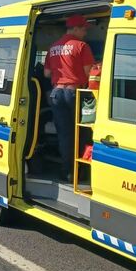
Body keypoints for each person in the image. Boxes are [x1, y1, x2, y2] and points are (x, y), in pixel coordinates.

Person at [44, 15, 94, 179]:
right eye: (84, 29)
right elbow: (90, 73)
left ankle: (67, 171)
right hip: (76, 93)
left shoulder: (52, 47)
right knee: (83, 132)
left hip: (57, 93)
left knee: (64, 134)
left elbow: (47, 73)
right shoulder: (82, 46)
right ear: (75, 29)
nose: (85, 32)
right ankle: (82, 171)